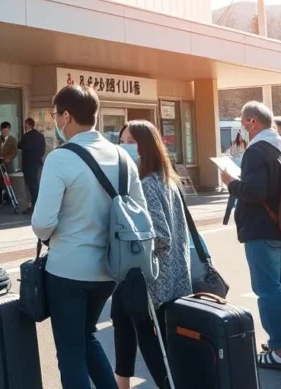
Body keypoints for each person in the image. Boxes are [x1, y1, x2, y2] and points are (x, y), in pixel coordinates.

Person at [32, 85, 146, 389]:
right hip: (111, 271)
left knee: (70, 351)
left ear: (66, 116)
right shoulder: (123, 157)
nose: (56, 121)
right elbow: (140, 214)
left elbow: (42, 223)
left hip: (68, 270)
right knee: (86, 336)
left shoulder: (60, 159)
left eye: (56, 115)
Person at [111, 120, 192, 389]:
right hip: (170, 274)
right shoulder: (168, 179)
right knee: (121, 320)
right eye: (122, 142)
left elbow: (160, 236)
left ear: (145, 146)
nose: (124, 148)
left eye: (131, 142)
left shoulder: (146, 184)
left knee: (149, 337)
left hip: (151, 277)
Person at [220, 101, 281, 370]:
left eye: (243, 121)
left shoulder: (256, 152)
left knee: (267, 289)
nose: (241, 126)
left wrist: (232, 183)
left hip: (262, 229)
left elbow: (254, 192)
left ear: (252, 122)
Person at [19, 118, 47, 214]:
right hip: (38, 164)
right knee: (36, 184)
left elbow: (21, 146)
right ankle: (37, 205)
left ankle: (32, 206)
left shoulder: (27, 136)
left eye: (25, 124)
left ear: (28, 125)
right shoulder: (40, 136)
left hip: (28, 164)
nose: (25, 126)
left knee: (30, 186)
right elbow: (43, 150)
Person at [0, 121, 19, 207]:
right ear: (1, 130)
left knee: (8, 183)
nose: (5, 132)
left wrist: (8, 157)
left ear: (9, 130)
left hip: (8, 164)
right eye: (3, 131)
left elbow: (14, 152)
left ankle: (9, 200)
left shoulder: (12, 140)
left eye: (7, 131)